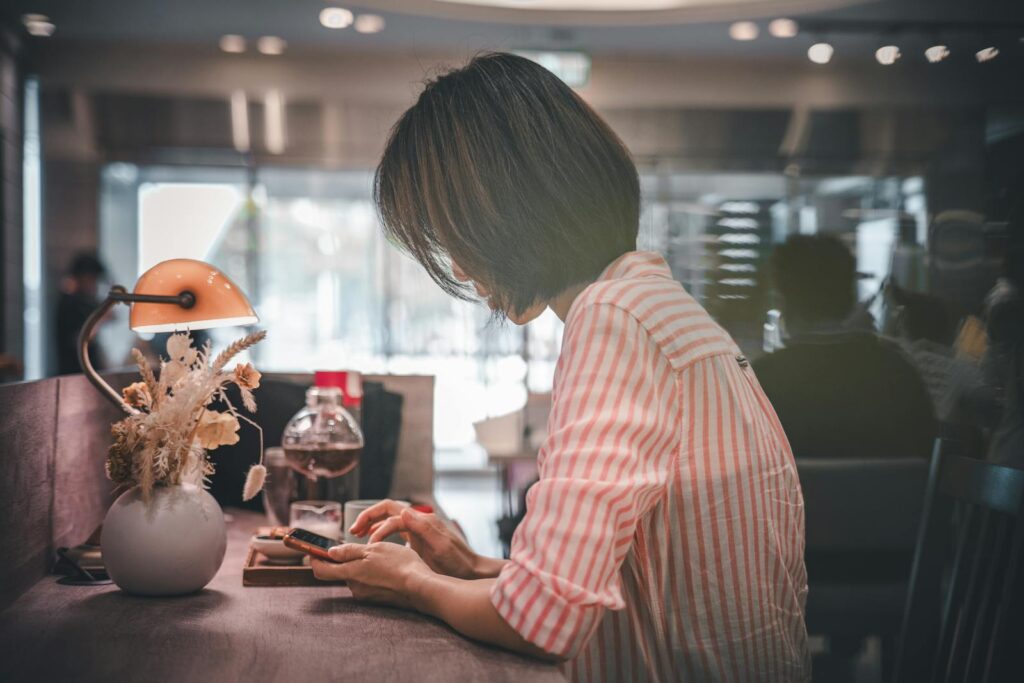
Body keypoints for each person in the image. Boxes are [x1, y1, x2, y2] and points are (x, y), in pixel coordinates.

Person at [311, 53, 809, 681]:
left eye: (455, 235)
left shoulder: (614, 316)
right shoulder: (663, 306)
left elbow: (544, 619)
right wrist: (471, 568)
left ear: (510, 213)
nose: (460, 270)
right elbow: (608, 592)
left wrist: (412, 583)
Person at [753, 235, 936, 460]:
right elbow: (927, 457)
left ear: (784, 302)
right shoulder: (899, 372)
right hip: (886, 496)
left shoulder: (759, 382)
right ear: (849, 297)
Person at [55, 252, 108, 375]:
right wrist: (102, 319)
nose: (94, 285)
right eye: (92, 279)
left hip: (86, 371)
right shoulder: (69, 302)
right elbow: (79, 339)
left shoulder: (83, 300)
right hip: (75, 372)